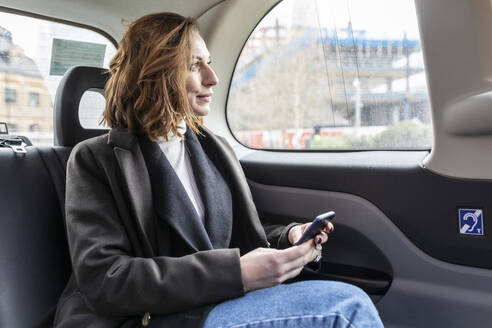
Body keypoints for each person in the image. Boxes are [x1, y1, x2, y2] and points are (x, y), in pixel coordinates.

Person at [53, 12, 384, 328]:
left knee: (348, 301)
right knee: (346, 309)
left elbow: (235, 239)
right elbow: (105, 278)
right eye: (196, 65)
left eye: (208, 62)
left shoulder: (213, 148)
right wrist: (235, 274)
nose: (212, 78)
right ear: (156, 73)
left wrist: (288, 238)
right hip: (150, 318)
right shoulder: (94, 161)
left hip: (218, 303)